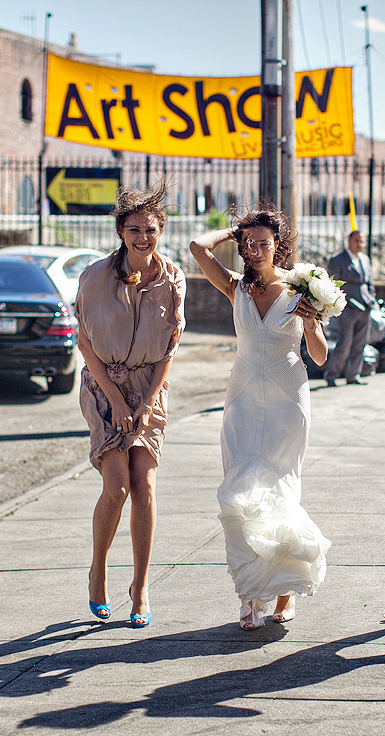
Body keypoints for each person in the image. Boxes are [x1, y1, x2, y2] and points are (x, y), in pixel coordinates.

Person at [189, 207, 332, 630]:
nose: (253, 251)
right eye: (247, 244)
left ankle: (285, 593)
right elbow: (198, 247)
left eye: (263, 243)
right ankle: (250, 595)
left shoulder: (301, 288)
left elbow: (321, 356)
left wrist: (310, 325)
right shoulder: (234, 286)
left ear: (278, 245)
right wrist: (235, 230)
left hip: (289, 398)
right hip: (243, 397)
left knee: (281, 490)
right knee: (239, 489)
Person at [75, 182, 185, 628]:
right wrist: (118, 401)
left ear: (161, 231)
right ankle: (98, 570)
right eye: (135, 229)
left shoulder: (173, 278)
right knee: (117, 487)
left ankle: (140, 587)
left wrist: (147, 402)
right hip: (105, 387)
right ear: (121, 231)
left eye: (151, 229)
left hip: (150, 390)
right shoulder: (95, 275)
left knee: (146, 486)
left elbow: (168, 352)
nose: (144, 236)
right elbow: (85, 342)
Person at [323, 230, 377, 386]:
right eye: (356, 241)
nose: (359, 244)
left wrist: (371, 298)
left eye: (362, 241)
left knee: (360, 343)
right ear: (349, 241)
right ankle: (332, 375)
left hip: (365, 306)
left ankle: (354, 374)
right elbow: (333, 284)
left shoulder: (365, 260)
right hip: (348, 308)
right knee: (344, 343)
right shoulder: (337, 260)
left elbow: (369, 282)